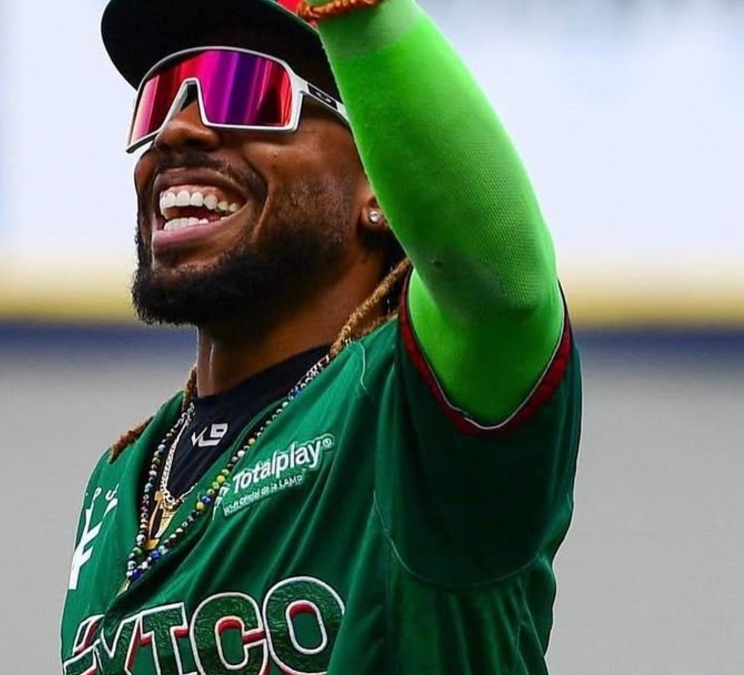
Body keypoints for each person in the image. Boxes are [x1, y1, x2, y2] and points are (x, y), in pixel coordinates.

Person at [61, 0, 581, 672]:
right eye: (161, 98)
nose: (178, 130)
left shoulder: (423, 410)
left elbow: (505, 289)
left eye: (244, 90)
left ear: (380, 187)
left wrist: (360, 14)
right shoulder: (120, 480)